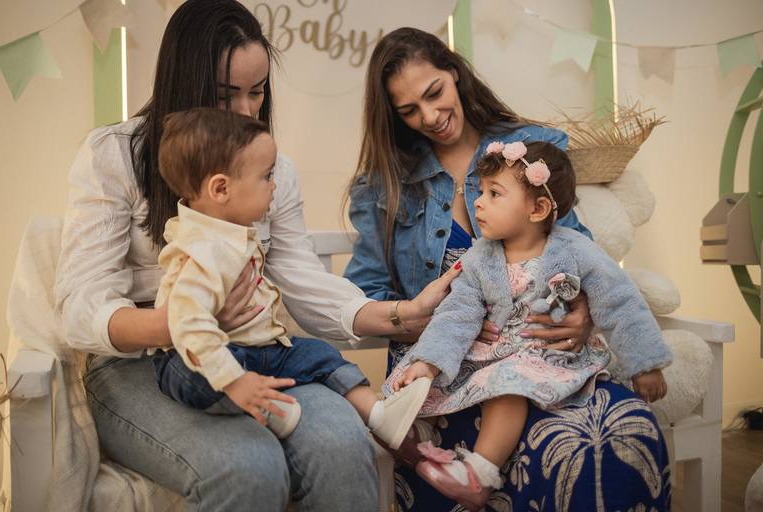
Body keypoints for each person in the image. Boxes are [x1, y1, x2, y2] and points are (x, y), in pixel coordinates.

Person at [54, 4, 457, 510]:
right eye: (227, 95)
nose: (246, 111)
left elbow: (300, 277)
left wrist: (399, 314)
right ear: (185, 84)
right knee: (247, 465)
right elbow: (79, 304)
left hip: (252, 349)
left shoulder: (271, 170)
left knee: (341, 444)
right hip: (139, 366)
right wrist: (184, 322)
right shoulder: (113, 155)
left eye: (258, 91)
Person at [344, 26, 672, 511]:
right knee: (560, 446)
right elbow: (363, 294)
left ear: (455, 73)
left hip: (545, 351)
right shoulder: (385, 183)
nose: (429, 116)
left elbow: (584, 257)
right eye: (409, 110)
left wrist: (582, 311)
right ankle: (474, 473)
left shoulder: (526, 151)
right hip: (442, 363)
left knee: (625, 427)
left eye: (434, 93)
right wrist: (417, 318)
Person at [385, 140, 672, 510]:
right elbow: (456, 315)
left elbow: (618, 300)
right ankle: (418, 436)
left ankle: (478, 475)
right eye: (480, 192)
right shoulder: (480, 258)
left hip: (547, 354)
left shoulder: (576, 250)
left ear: (537, 209)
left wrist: (645, 364)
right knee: (420, 375)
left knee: (507, 385)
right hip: (494, 352)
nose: (478, 202)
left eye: (493, 194)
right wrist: (428, 362)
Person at [153, 107, 432, 448]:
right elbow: (188, 324)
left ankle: (378, 414)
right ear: (221, 188)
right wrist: (235, 380)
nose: (274, 185)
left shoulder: (233, 233)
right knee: (198, 378)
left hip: (256, 348)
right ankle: (259, 405)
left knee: (317, 352)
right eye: (265, 176)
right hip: (193, 357)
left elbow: (300, 276)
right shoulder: (202, 250)